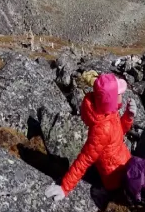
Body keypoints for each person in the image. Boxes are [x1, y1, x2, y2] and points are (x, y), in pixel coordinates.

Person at [44, 72, 136, 200]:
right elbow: (84, 160)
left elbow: (119, 132)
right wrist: (65, 187)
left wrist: (128, 116)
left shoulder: (109, 112)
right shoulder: (101, 130)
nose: (122, 95)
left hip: (126, 162)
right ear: (111, 99)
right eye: (119, 93)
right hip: (117, 177)